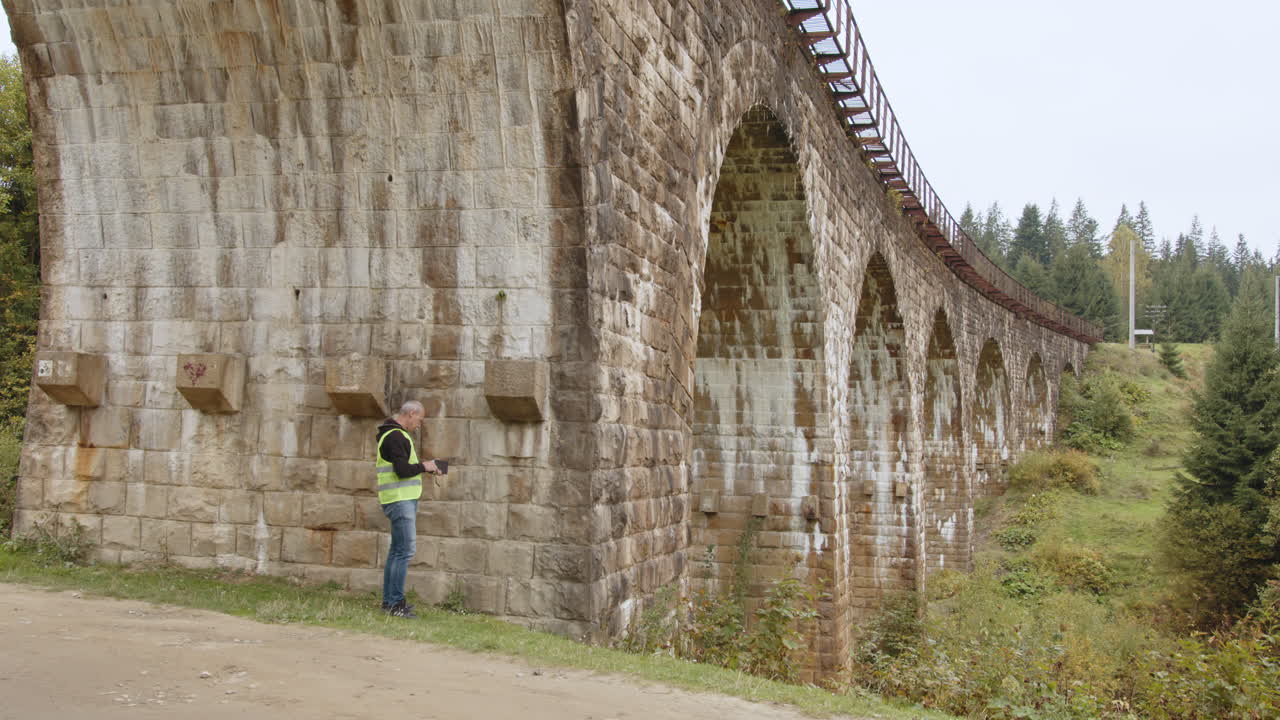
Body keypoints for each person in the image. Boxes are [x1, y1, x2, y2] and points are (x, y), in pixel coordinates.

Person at [375, 400, 440, 618]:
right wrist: (425, 466)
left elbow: (401, 465)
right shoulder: (396, 436)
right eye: (419, 420)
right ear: (411, 414)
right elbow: (402, 470)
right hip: (400, 500)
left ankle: (389, 602)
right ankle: (395, 605)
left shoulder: (390, 434)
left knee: (396, 551)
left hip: (397, 499)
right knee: (404, 552)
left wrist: (425, 467)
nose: (419, 425)